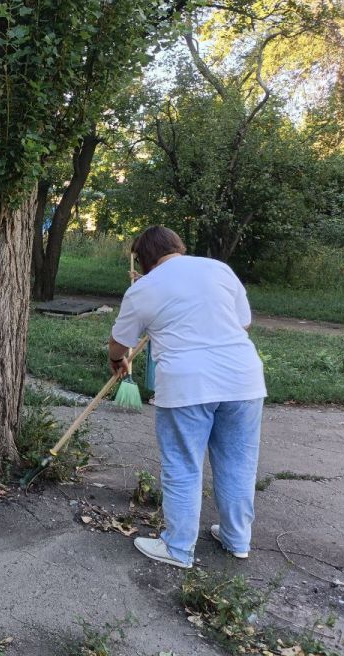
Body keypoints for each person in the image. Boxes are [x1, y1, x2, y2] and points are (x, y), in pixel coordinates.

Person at [109, 226, 266, 569]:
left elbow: (120, 344)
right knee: (238, 463)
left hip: (186, 386)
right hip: (243, 380)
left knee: (183, 465)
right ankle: (237, 539)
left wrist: (116, 361)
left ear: (145, 260)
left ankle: (179, 548)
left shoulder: (143, 289)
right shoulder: (218, 269)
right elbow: (244, 324)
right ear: (178, 247)